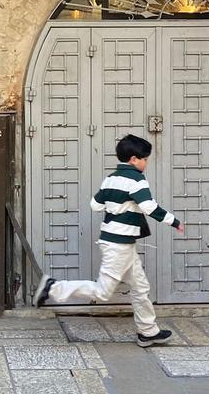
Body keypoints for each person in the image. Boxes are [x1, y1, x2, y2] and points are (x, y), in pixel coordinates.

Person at [32, 134, 183, 348]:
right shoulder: (136, 179)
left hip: (121, 242)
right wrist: (174, 221)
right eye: (145, 159)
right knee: (103, 292)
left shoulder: (110, 178)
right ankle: (54, 288)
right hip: (118, 244)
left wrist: (116, 208)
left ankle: (148, 332)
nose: (146, 163)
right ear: (133, 159)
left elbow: (95, 205)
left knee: (140, 287)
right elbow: (148, 206)